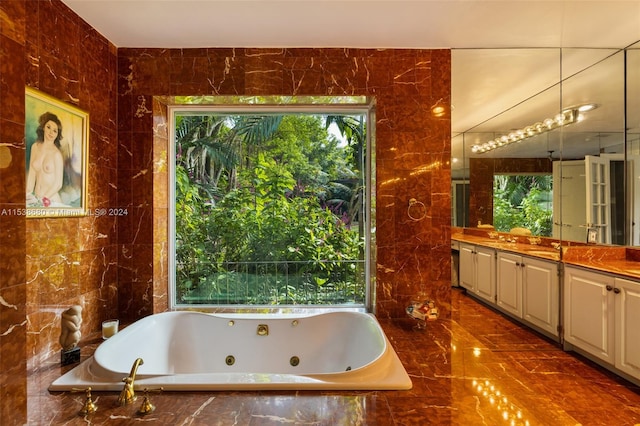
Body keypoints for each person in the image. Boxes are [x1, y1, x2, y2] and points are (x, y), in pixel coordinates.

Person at [26, 112, 64, 207]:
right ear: (43, 127)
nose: (51, 132)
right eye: (48, 127)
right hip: (36, 199)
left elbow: (58, 184)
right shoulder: (35, 147)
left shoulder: (57, 154)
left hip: (51, 201)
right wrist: (27, 194)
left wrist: (43, 199)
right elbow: (31, 174)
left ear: (57, 134)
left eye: (55, 131)